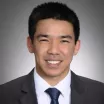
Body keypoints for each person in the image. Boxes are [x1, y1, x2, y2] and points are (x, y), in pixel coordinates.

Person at [0, 2, 104, 104]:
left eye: (64, 41)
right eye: (44, 40)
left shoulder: (99, 93)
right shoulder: (4, 95)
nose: (53, 50)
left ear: (76, 46)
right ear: (30, 44)